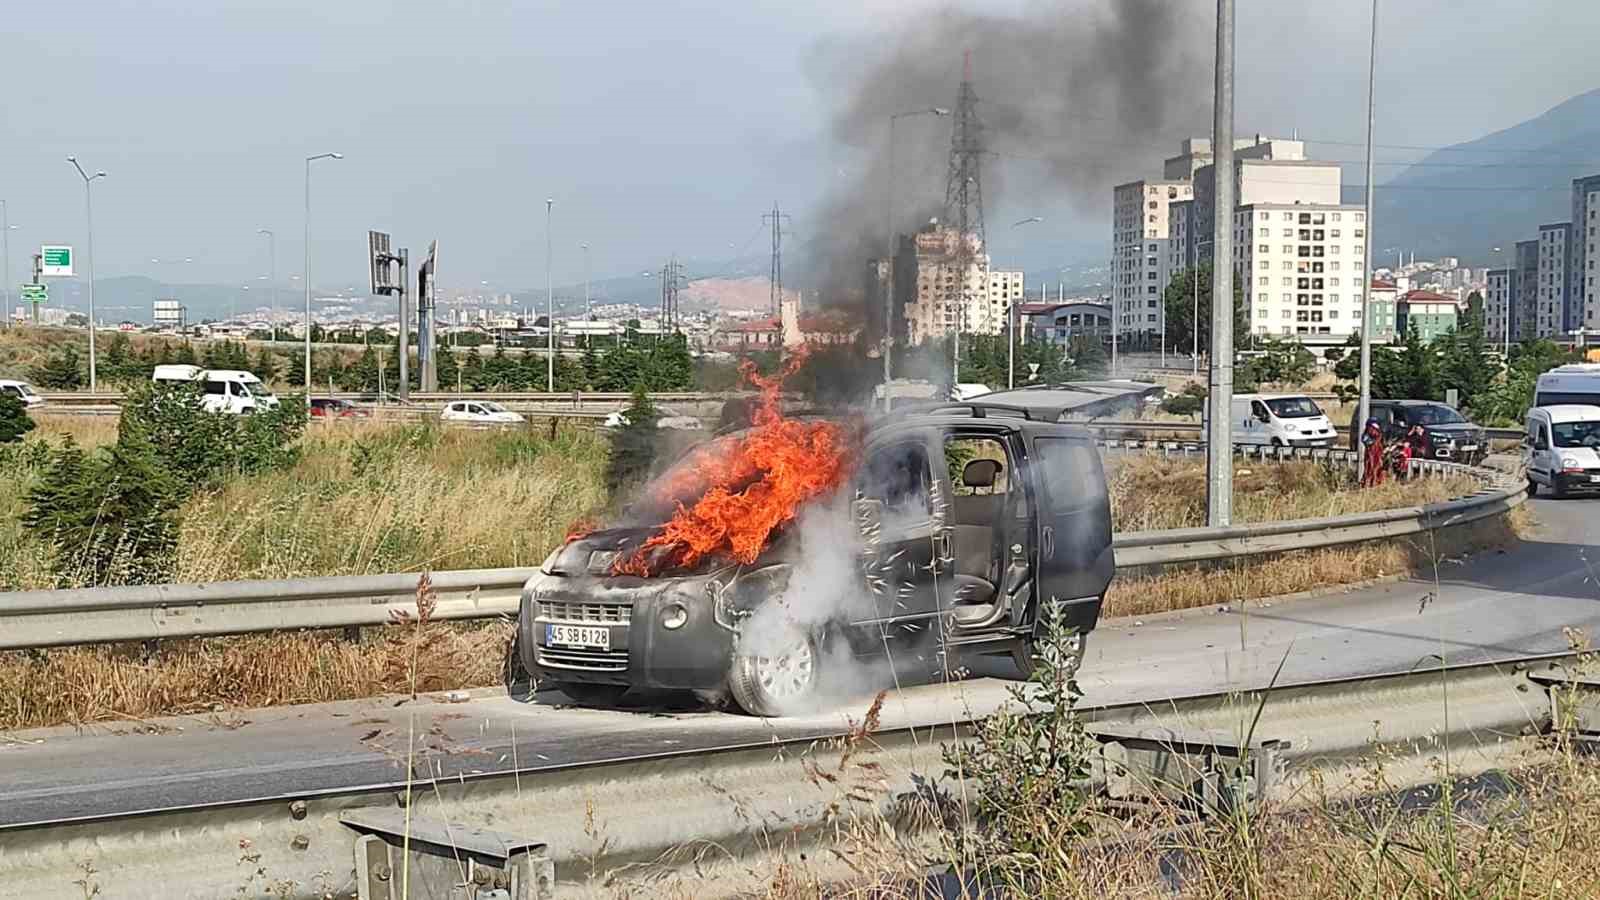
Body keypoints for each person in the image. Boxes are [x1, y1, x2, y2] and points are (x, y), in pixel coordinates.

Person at [1360, 417, 1385, 488]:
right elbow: (1366, 440)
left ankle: (1375, 483)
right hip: (1370, 454)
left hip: (1377, 453)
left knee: (1377, 468)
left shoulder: (1379, 432)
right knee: (1370, 468)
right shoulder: (1367, 433)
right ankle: (1369, 484)